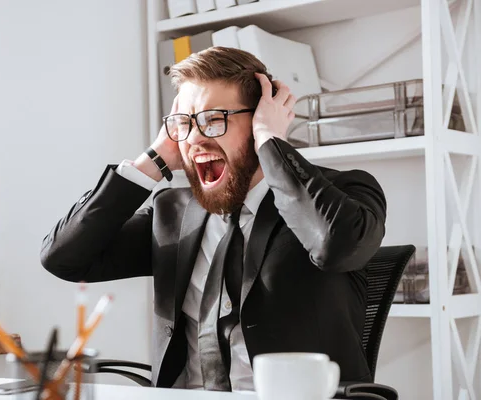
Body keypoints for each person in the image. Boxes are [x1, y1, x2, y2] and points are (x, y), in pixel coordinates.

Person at [40, 46, 386, 391]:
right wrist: (154, 161)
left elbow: (336, 247)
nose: (195, 137)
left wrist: (271, 142)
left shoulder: (343, 193)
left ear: (259, 120)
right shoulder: (172, 213)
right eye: (185, 124)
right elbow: (64, 258)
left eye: (214, 119)